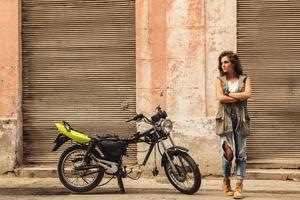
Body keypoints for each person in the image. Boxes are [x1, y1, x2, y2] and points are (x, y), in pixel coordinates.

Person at [215, 51, 252, 199]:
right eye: (222, 63)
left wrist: (229, 95)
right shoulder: (219, 80)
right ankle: (226, 180)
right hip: (225, 119)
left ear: (233, 63)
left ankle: (239, 186)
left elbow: (248, 94)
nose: (223, 65)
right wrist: (238, 97)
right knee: (228, 153)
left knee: (241, 155)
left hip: (241, 119)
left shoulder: (245, 79)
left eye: (226, 62)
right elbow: (220, 98)